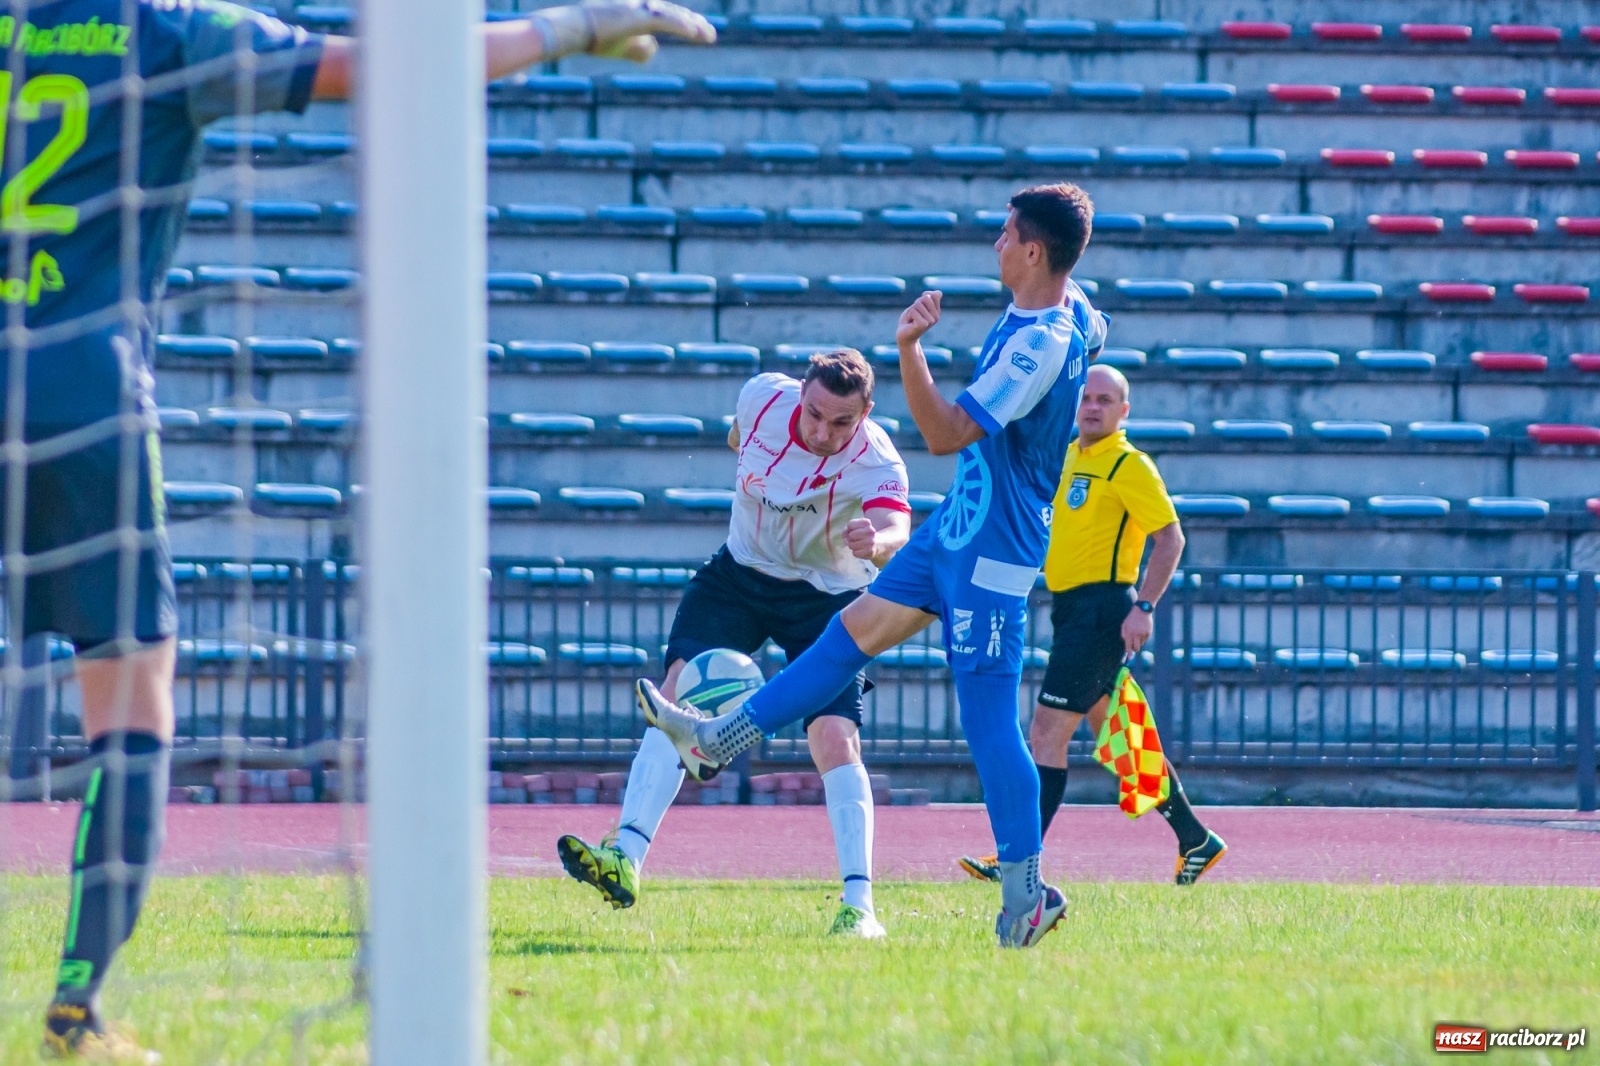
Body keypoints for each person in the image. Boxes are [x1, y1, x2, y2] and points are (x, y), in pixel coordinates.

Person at [13, 1, 713, 1057]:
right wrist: (566, 29)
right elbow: (391, 69)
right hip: (86, 395)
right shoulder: (162, 30)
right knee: (130, 704)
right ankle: (76, 1001)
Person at [639, 183, 1107, 949]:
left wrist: (908, 350)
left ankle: (1027, 895)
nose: (994, 241)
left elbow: (946, 432)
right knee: (843, 638)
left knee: (988, 723)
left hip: (996, 553)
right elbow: (1098, 326)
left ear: (1032, 250)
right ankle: (715, 741)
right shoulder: (1071, 310)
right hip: (954, 532)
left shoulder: (1040, 342)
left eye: (1005, 232)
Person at [558, 350, 912, 939]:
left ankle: (860, 910)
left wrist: (877, 541)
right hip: (740, 575)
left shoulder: (876, 458)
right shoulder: (761, 398)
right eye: (815, 414)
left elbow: (898, 527)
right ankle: (625, 859)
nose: (824, 432)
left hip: (825, 595)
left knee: (834, 738)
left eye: (841, 423)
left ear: (866, 413)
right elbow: (737, 438)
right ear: (800, 392)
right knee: (675, 697)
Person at [956, 363, 1226, 887]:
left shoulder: (1130, 464)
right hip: (1072, 610)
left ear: (1124, 410)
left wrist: (1143, 607)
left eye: (1106, 400)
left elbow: (1171, 538)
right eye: (1087, 398)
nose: (1093, 407)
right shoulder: (1071, 456)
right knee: (1119, 733)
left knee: (1045, 733)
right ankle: (1196, 839)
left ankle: (1017, 857)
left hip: (1102, 611)